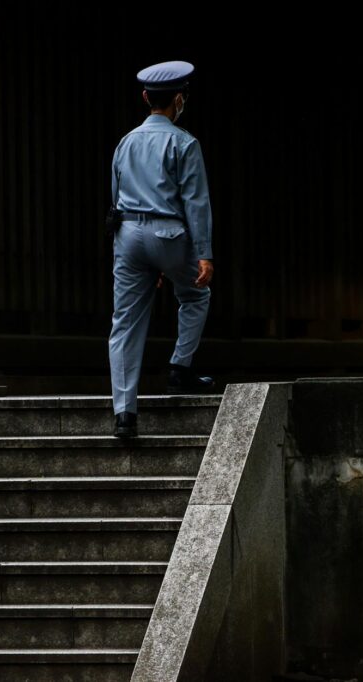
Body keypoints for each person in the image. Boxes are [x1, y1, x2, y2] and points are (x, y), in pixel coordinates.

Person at [108, 60, 216, 439]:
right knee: (195, 294)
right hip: (169, 235)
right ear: (179, 99)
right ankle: (180, 367)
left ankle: (125, 413)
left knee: (125, 322)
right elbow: (195, 201)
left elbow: (114, 194)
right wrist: (204, 253)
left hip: (129, 235)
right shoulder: (184, 142)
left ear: (145, 98)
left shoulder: (125, 142)